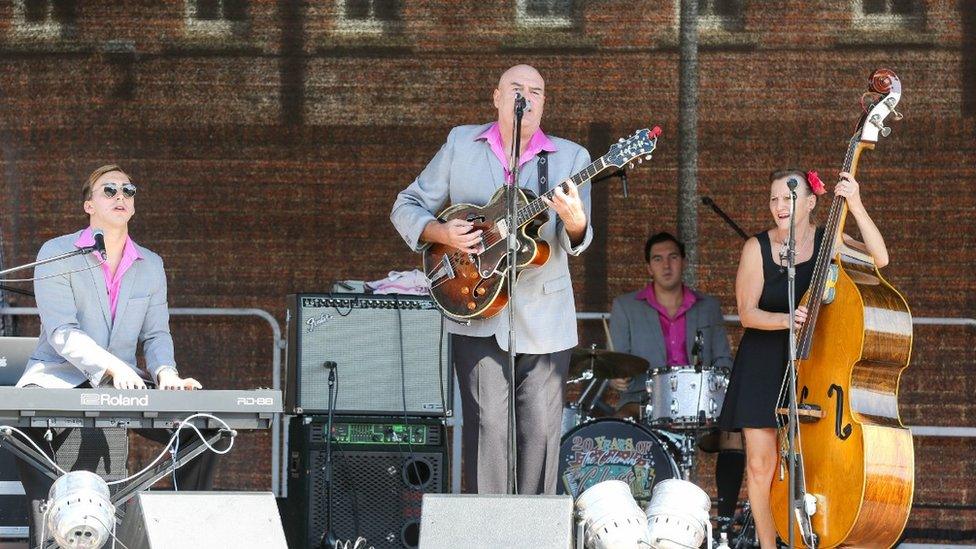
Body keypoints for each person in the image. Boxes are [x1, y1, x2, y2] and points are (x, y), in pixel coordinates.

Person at [390, 64, 592, 494]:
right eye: (517, 89)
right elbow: (406, 205)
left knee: (539, 435)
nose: (527, 98)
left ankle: (535, 537)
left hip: (545, 318)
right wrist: (440, 233)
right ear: (497, 97)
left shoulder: (570, 158)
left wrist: (575, 223)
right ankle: (487, 534)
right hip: (474, 303)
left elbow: (572, 239)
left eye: (536, 91)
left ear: (544, 103)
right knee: (486, 428)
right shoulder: (461, 143)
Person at [15, 165, 216, 539]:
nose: (121, 195)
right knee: (22, 427)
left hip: (125, 385)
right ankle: (50, 534)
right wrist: (111, 366)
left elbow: (156, 335)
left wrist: (166, 373)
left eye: (129, 189)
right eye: (109, 190)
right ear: (88, 204)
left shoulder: (151, 265)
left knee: (201, 432)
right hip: (58, 377)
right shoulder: (56, 253)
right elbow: (62, 333)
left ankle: (181, 534)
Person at [717, 169, 889, 548]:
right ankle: (766, 544)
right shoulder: (755, 248)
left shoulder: (830, 241)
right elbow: (747, 313)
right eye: (774, 198)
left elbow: (880, 257)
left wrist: (856, 204)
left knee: (809, 462)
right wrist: (787, 319)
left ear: (810, 203)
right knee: (761, 466)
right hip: (764, 360)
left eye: (788, 198)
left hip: (815, 362)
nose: (779, 206)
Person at [607, 231, 743, 534]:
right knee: (617, 428)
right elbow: (618, 362)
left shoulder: (707, 306)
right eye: (658, 259)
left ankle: (724, 520)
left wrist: (713, 380)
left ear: (683, 262)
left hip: (699, 405)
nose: (666, 265)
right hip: (643, 402)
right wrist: (618, 377)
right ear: (648, 267)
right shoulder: (625, 307)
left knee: (734, 434)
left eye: (673, 257)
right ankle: (630, 520)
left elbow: (724, 360)